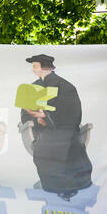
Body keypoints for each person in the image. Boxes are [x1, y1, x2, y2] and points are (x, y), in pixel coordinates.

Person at [21, 54, 92, 200]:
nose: (33, 69)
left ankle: (68, 186)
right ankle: (55, 185)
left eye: (35, 66)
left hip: (64, 128)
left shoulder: (66, 87)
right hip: (41, 131)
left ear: (45, 67)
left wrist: (47, 118)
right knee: (45, 144)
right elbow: (24, 113)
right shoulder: (32, 87)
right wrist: (37, 119)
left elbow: (73, 113)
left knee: (65, 145)